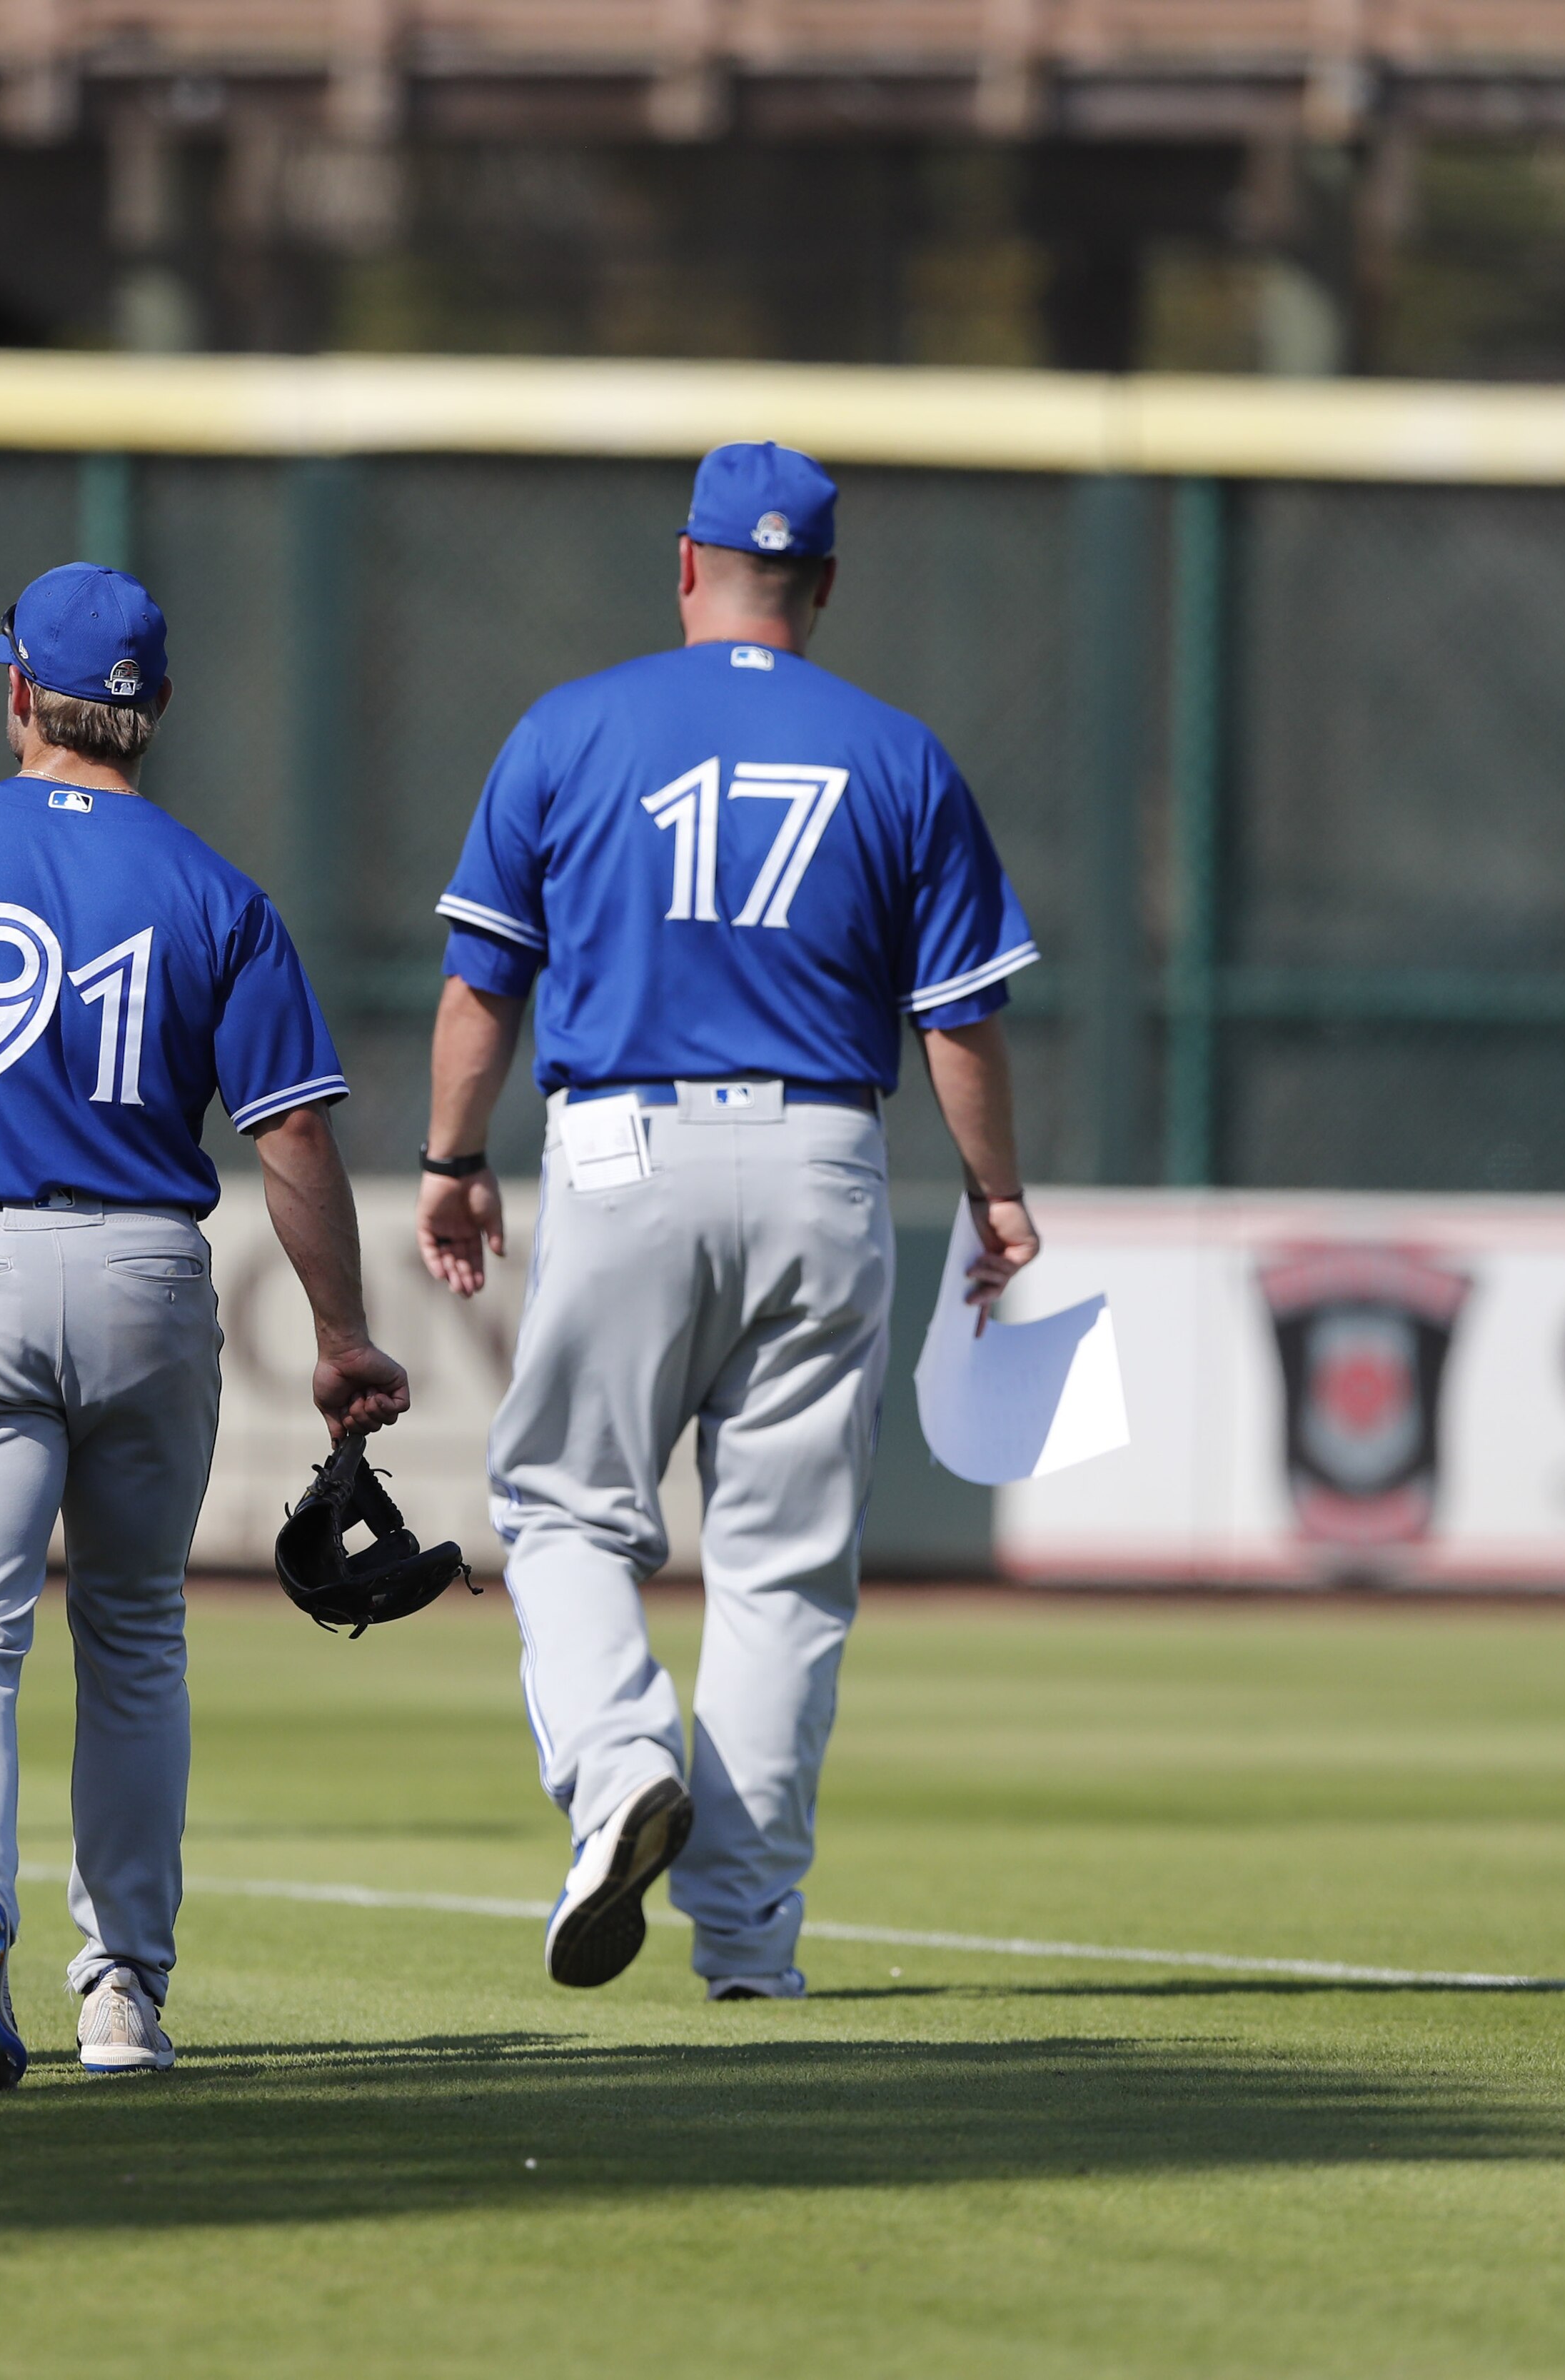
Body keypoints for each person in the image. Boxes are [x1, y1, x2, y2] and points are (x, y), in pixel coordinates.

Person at [0, 563, 411, 2092]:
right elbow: (291, 1136)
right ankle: (121, 1988)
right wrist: (340, 1332)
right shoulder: (216, 889)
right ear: (156, 708)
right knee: (132, 1639)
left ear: (17, 693)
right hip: (145, 1270)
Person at [413, 443, 1041, 2002]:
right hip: (826, 1151)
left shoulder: (571, 726)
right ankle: (749, 1942)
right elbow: (957, 1019)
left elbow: (483, 981)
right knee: (783, 1568)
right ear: (823, 584)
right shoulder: (897, 753)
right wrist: (997, 1192)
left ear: (686, 564)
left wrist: (450, 1154)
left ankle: (622, 1760)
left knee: (567, 1509)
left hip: (624, 1142)